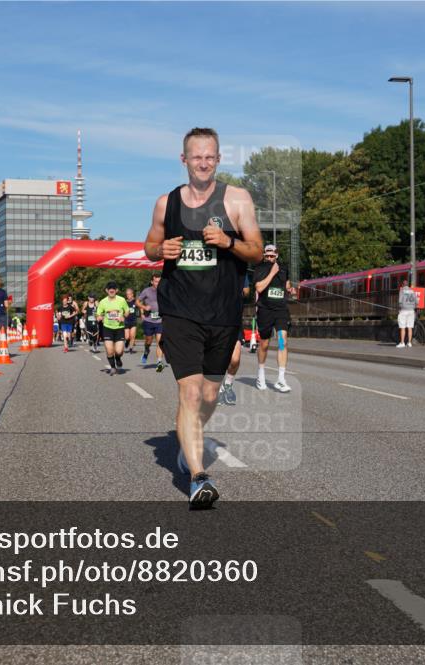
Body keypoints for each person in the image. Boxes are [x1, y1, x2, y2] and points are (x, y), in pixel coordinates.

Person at [143, 127, 263, 508]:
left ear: (218, 159)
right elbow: (148, 248)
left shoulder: (238, 199)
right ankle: (198, 477)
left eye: (210, 156)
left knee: (209, 393)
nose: (203, 162)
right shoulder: (167, 203)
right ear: (184, 160)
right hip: (179, 308)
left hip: (223, 310)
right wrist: (161, 248)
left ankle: (188, 437)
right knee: (189, 391)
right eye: (197, 156)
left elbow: (257, 251)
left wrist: (229, 242)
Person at [254, 244, 292, 393]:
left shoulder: (283, 268)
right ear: (264, 255)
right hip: (265, 310)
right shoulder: (260, 268)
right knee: (264, 343)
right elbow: (259, 288)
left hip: (281, 310)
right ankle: (261, 374)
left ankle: (281, 379)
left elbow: (286, 283)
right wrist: (271, 273)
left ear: (277, 255)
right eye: (267, 255)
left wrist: (289, 288)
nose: (270, 258)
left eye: (272, 255)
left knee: (283, 340)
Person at [218, 275, 252, 405]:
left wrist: (236, 288)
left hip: (235, 322)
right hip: (215, 322)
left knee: (235, 359)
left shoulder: (239, 271)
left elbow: (247, 291)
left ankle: (228, 385)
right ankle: (219, 389)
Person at [96, 281, 130, 375]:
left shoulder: (122, 300)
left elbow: (127, 311)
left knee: (119, 351)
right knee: (110, 350)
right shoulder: (103, 302)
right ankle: (113, 367)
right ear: (106, 290)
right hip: (107, 328)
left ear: (116, 290)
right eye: (110, 289)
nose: (111, 290)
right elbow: (98, 314)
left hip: (119, 328)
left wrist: (123, 317)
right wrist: (99, 317)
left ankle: (118, 358)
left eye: (113, 289)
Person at [136, 273, 165, 371]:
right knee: (148, 340)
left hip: (160, 320)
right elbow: (137, 302)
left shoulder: (164, 290)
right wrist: (144, 307)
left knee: (160, 342)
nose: (158, 283)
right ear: (152, 282)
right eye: (156, 281)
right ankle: (146, 351)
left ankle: (159, 362)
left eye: (160, 281)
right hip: (149, 320)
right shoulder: (146, 291)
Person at [397, 277, 418, 348]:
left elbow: (400, 302)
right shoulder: (412, 291)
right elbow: (416, 302)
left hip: (404, 311)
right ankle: (409, 343)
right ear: (408, 285)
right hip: (411, 311)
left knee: (402, 327)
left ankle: (402, 343)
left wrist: (399, 309)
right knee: (410, 327)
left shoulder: (402, 290)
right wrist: (413, 307)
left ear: (402, 285)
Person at [123, 287, 138, 353]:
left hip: (133, 321)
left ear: (132, 294)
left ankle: (131, 348)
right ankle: (127, 342)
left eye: (129, 294)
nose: (128, 296)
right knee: (127, 337)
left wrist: (142, 314)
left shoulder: (136, 301)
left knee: (132, 336)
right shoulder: (124, 302)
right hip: (126, 321)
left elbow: (141, 307)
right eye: (127, 294)